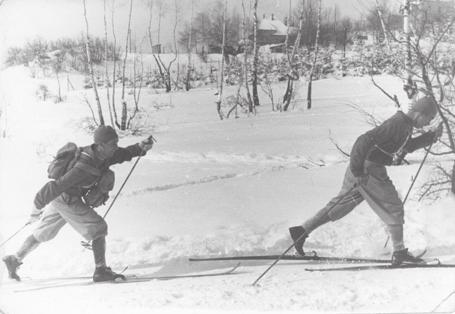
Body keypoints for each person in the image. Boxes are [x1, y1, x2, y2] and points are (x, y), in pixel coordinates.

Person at [289, 96, 443, 266]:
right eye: (428, 118)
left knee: (340, 205)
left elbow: (407, 147)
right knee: (393, 206)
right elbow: (362, 141)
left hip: (363, 168)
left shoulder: (405, 125)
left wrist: (430, 137)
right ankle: (399, 253)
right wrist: (358, 170)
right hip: (369, 170)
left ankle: (302, 231)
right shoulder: (397, 124)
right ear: (419, 113)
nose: (426, 123)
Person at [2, 126, 154, 282]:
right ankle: (100, 270)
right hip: (66, 199)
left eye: (116, 142)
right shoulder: (83, 166)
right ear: (101, 145)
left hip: (63, 198)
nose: (116, 146)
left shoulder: (103, 154)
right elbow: (53, 187)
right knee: (99, 228)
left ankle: (14, 259)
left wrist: (140, 147)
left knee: (44, 233)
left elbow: (122, 154)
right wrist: (36, 210)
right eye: (112, 143)